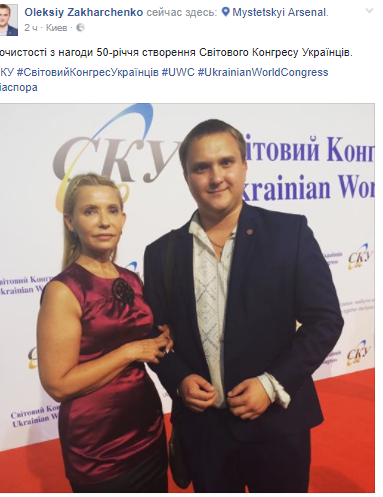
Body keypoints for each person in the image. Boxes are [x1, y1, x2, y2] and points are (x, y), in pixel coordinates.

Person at [143, 119, 344, 493]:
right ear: (186, 177)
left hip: (278, 424)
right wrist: (178, 379)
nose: (216, 177)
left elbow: (325, 321)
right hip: (205, 433)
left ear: (245, 166)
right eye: (201, 167)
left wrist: (271, 384)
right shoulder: (161, 253)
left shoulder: (290, 233)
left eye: (226, 162)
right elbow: (154, 335)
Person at [37, 173, 172, 493]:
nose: (103, 221)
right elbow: (58, 385)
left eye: (112, 210)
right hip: (99, 449)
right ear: (70, 222)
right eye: (90, 211)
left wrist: (167, 337)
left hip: (149, 432)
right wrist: (130, 351)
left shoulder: (132, 280)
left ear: (123, 219)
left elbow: (149, 342)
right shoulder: (64, 290)